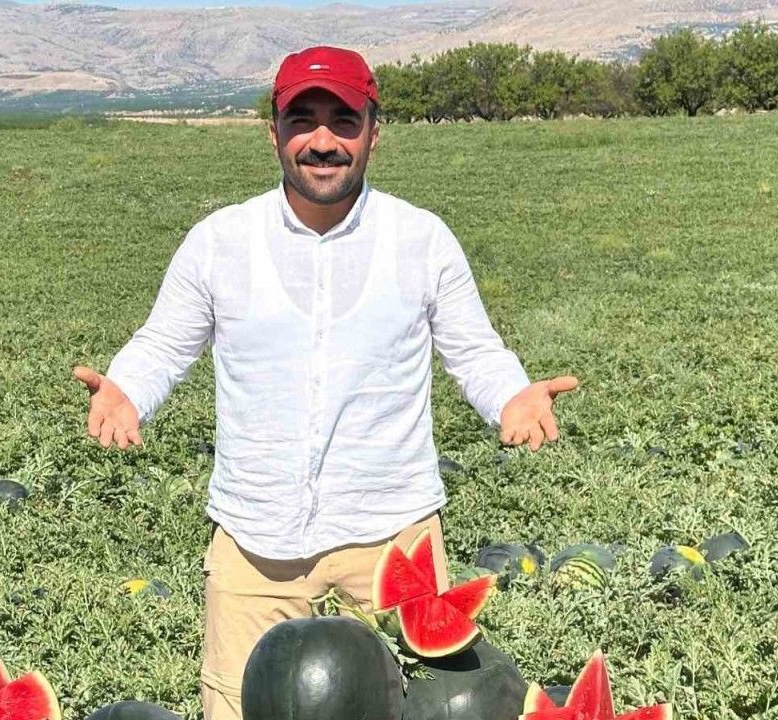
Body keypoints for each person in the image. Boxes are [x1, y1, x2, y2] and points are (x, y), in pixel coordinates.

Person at [72, 45, 578, 719]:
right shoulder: (220, 241)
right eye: (301, 120)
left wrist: (511, 394)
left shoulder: (421, 240)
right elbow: (165, 341)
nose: (322, 141)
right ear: (273, 132)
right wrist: (128, 388)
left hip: (393, 537)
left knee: (422, 710)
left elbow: (475, 350)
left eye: (343, 121)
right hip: (255, 542)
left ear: (373, 132)